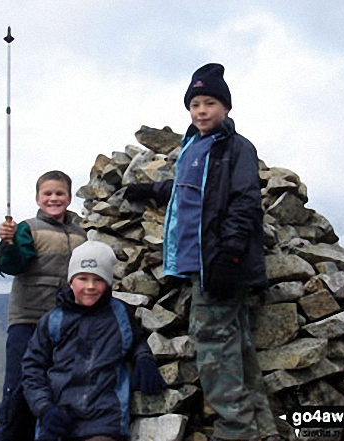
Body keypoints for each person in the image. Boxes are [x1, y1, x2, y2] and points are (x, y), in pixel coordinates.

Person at [124, 64, 281, 441]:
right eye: (195, 104)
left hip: (218, 267)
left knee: (215, 354)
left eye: (210, 102)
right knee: (238, 351)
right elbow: (190, 193)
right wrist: (154, 191)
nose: (201, 111)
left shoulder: (236, 148)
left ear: (226, 107)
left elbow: (244, 204)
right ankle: (263, 430)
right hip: (203, 265)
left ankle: (234, 432)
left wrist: (230, 256)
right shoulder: (193, 146)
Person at [22, 240, 166, 441]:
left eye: (98, 279)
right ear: (71, 281)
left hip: (105, 423)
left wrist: (144, 358)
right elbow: (32, 368)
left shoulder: (121, 314)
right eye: (82, 278)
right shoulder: (52, 320)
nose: (90, 286)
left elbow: (135, 340)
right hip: (58, 422)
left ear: (108, 282)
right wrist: (45, 408)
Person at [0, 170, 87, 441]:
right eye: (48, 193)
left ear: (69, 198)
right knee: (19, 388)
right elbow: (12, 265)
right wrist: (7, 243)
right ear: (37, 198)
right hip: (28, 320)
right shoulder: (26, 228)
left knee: (54, 387)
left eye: (60, 193)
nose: (53, 198)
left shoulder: (80, 234)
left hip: (64, 323)